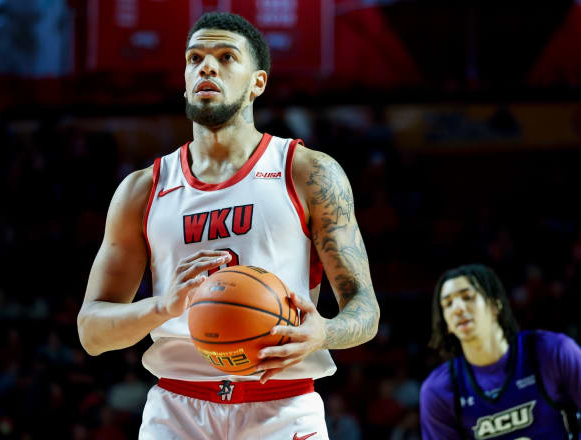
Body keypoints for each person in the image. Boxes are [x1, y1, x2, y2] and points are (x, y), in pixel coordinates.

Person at [77, 12, 380, 440]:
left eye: (225, 57)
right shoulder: (142, 190)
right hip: (177, 409)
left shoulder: (307, 172)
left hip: (283, 403)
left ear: (257, 82)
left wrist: (324, 332)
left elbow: (365, 310)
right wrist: (163, 307)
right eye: (195, 57)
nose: (207, 66)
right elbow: (92, 332)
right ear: (184, 80)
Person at [419, 263, 581, 439]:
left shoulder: (553, 351)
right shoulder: (439, 390)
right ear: (447, 324)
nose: (458, 309)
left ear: (495, 305)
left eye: (467, 297)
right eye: (448, 304)